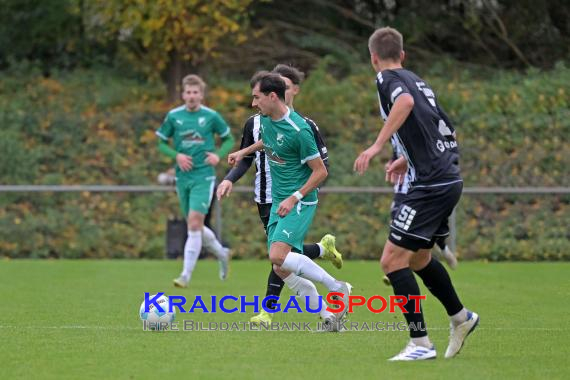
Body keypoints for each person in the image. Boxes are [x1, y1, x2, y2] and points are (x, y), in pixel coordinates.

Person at [354, 27, 479, 361]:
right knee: (420, 259)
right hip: (447, 178)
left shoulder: (386, 80)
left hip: (430, 185)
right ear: (403, 55)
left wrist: (378, 146)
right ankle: (461, 317)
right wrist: (403, 158)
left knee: (391, 261)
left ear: (373, 58)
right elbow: (443, 128)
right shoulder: (419, 81)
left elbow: (404, 103)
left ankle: (420, 343)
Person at [217, 64, 343, 326]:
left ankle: (337, 288)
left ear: (272, 97)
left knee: (277, 257)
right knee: (281, 267)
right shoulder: (265, 119)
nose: (253, 103)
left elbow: (320, 172)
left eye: (256, 97)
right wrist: (243, 153)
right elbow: (268, 141)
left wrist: (294, 197)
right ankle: (328, 316)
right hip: (278, 199)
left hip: (298, 201)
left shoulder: (301, 130)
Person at [156, 74, 235, 288]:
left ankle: (185, 275)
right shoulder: (174, 117)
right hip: (183, 178)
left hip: (204, 175)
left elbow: (229, 139)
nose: (191, 96)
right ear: (183, 94)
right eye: (188, 92)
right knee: (196, 225)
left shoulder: (211, 116)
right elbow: (161, 143)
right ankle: (222, 253)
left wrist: (219, 155)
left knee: (193, 223)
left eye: (195, 92)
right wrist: (177, 156)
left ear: (201, 95)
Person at [382, 139, 458, 286]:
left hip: (419, 186)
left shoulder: (415, 127)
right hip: (401, 188)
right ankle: (397, 267)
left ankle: (443, 247)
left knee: (427, 233)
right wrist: (391, 163)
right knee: (396, 222)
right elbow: (396, 155)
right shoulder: (394, 134)